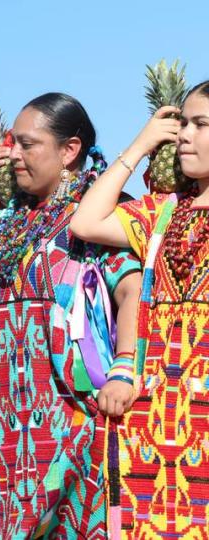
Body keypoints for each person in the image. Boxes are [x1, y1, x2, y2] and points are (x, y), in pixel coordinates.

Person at [0, 92, 142, 538]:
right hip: (4, 421)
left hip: (73, 416)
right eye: (13, 144)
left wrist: (124, 365)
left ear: (69, 150)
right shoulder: (4, 223)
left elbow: (130, 287)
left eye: (28, 144)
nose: (15, 156)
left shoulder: (96, 216)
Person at [69, 80, 209, 538]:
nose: (184, 135)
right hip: (154, 414)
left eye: (200, 125)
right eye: (182, 123)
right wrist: (139, 146)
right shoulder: (164, 212)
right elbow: (86, 222)